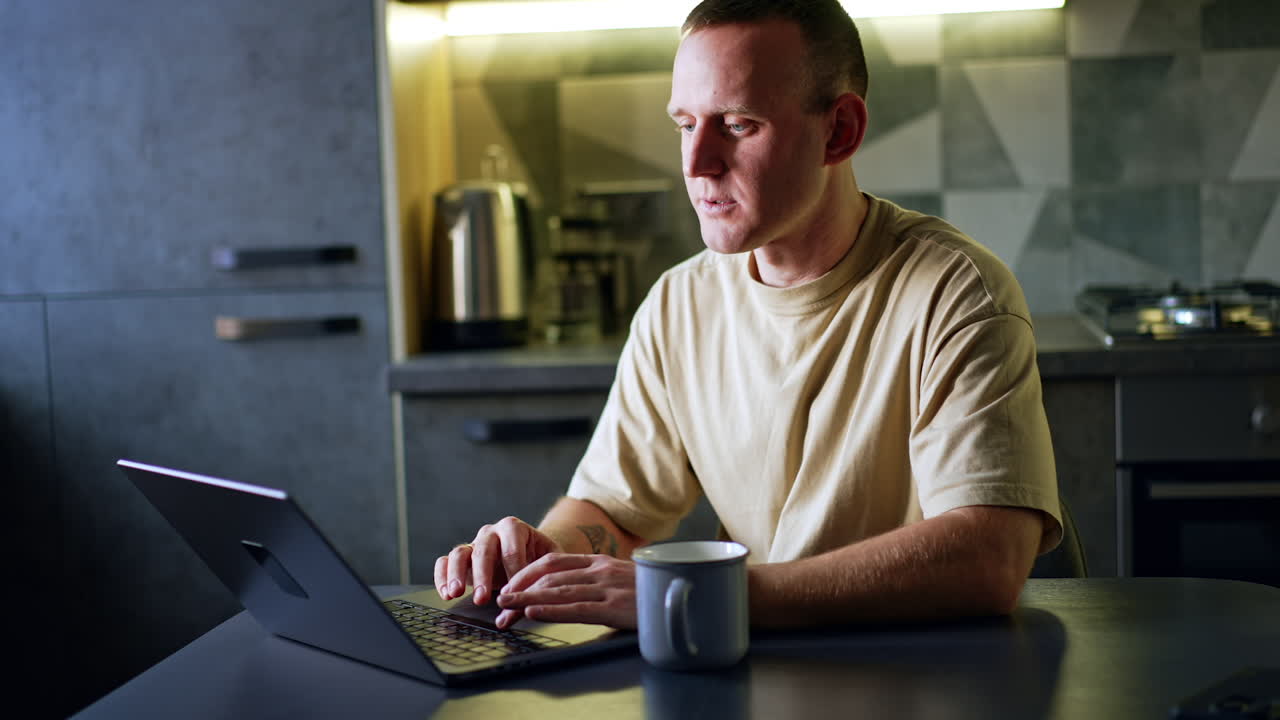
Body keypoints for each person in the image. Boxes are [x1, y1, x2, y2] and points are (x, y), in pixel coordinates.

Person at [434, 0, 1062, 631]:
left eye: (737, 125)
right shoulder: (679, 305)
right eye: (686, 125)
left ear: (839, 131)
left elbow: (990, 557)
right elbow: (616, 514)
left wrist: (710, 596)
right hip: (746, 659)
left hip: (924, 669)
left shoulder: (958, 292)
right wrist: (547, 553)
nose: (696, 163)